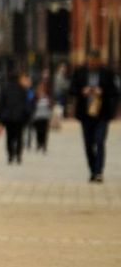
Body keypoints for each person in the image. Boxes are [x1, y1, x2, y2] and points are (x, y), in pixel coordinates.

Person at [66, 53, 118, 183]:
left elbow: (115, 91)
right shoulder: (80, 72)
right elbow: (71, 89)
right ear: (87, 61)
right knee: (88, 144)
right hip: (85, 114)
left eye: (95, 61)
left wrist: (103, 92)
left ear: (100, 61)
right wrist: (83, 91)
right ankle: (92, 170)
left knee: (100, 142)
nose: (93, 64)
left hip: (102, 114)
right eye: (90, 61)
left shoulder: (107, 73)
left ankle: (99, 172)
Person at [0, 72, 34, 166]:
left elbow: (0, 105)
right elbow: (27, 105)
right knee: (19, 137)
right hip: (20, 118)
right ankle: (18, 155)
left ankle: (10, 155)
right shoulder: (22, 90)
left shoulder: (5, 89)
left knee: (9, 137)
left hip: (8, 118)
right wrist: (28, 116)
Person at [30, 79, 54, 155]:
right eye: (40, 87)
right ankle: (39, 143)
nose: (42, 89)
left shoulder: (48, 96)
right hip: (37, 116)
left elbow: (51, 105)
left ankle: (44, 145)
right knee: (38, 131)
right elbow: (32, 104)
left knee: (44, 132)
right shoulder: (35, 96)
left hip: (45, 116)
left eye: (43, 87)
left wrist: (50, 106)